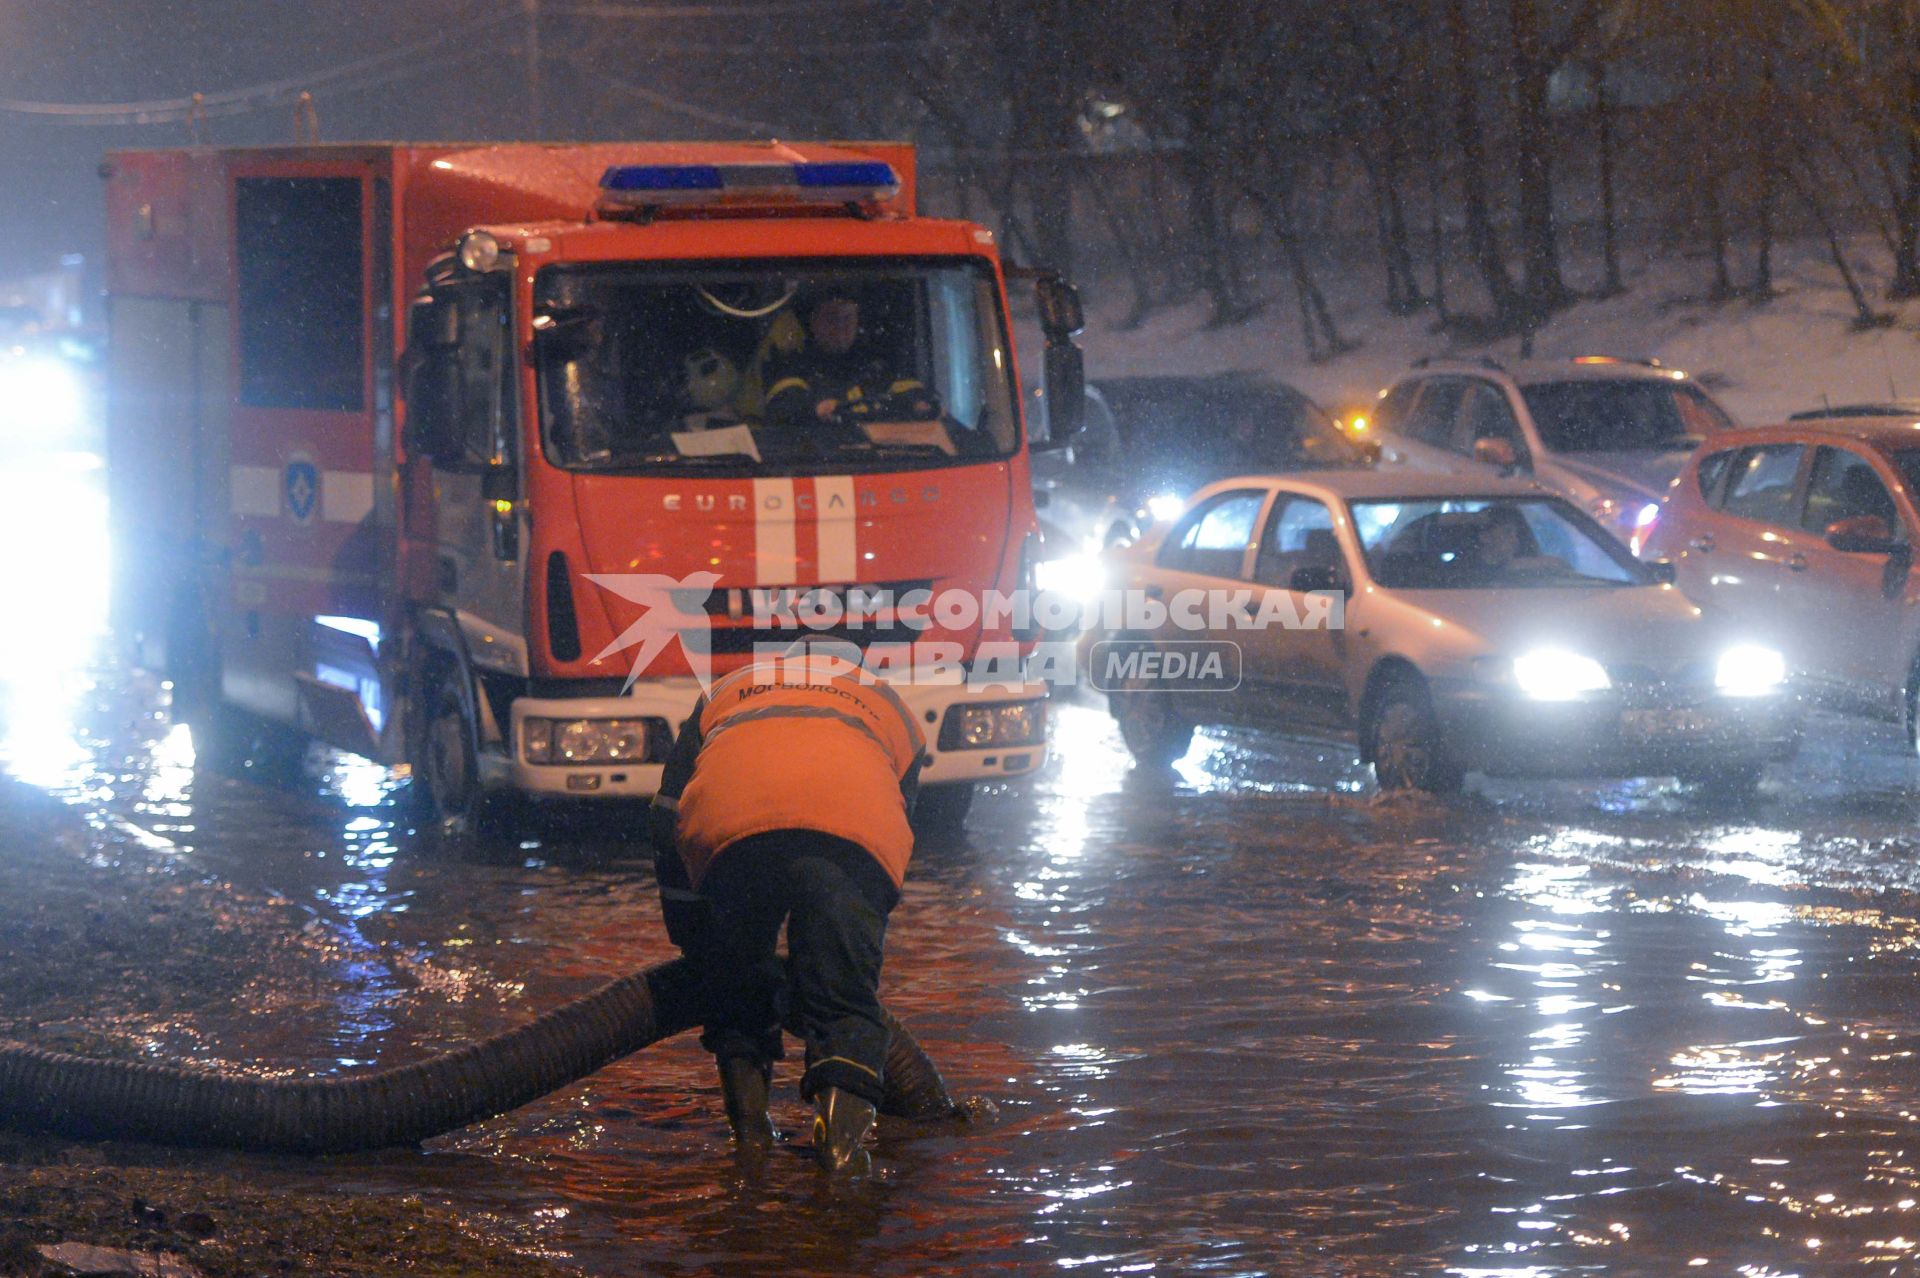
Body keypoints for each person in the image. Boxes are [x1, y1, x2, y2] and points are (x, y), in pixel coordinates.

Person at [647, 650, 928, 1173]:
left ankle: (751, 1144)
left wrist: (694, 937)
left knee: (736, 988)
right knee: (843, 1004)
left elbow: (667, 816)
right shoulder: (887, 700)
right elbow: (900, 816)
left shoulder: (727, 687)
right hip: (854, 824)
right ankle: (841, 1161)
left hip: (731, 822)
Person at [762, 294, 938, 427]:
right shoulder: (794, 364)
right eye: (831, 318)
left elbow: (912, 392)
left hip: (878, 461)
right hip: (821, 459)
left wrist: (920, 404)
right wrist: (816, 410)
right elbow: (783, 407)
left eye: (848, 318)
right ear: (814, 323)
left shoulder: (874, 363)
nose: (840, 327)